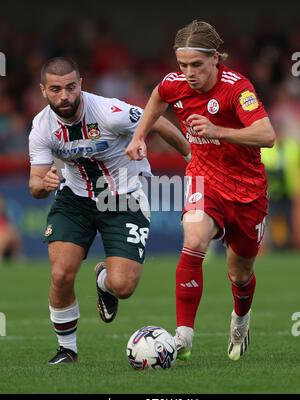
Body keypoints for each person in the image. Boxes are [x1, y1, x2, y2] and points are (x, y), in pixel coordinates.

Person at [125, 20, 275, 361]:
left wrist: (218, 130)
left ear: (216, 59)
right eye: (183, 65)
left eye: (196, 65)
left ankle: (240, 318)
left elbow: (267, 135)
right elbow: (157, 97)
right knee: (194, 241)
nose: (189, 73)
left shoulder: (238, 89)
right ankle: (183, 337)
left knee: (240, 274)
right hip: (203, 179)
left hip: (247, 190)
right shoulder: (174, 84)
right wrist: (138, 137)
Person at [28, 57, 190, 365]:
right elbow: (35, 184)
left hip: (124, 199)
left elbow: (155, 118)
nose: (65, 96)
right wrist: (43, 182)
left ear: (81, 85)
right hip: (75, 200)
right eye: (56, 89)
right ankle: (67, 350)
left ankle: (105, 281)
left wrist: (190, 156)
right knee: (61, 273)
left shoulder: (109, 112)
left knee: (123, 287)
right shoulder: (41, 128)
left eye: (71, 87)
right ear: (43, 91)